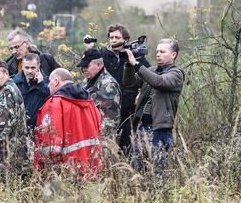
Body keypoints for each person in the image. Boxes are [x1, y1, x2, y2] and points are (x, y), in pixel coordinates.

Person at [126, 39, 185, 176]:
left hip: (160, 128)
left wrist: (136, 64)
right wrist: (128, 65)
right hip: (142, 126)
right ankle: (140, 195)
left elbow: (158, 82)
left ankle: (158, 195)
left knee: (157, 170)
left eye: (162, 52)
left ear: (173, 55)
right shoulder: (151, 70)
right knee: (137, 168)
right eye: (157, 51)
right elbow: (130, 82)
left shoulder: (177, 74)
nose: (158, 54)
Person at [34, 68, 103, 178]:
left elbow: (51, 142)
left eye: (50, 82)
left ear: (56, 82)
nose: (48, 86)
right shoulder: (89, 101)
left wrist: (45, 169)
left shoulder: (54, 103)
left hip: (68, 169)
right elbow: (100, 129)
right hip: (93, 166)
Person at [96, 24, 149, 156]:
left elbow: (149, 76)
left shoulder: (134, 55)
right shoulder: (102, 56)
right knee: (106, 146)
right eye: (111, 37)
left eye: (117, 37)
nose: (113, 40)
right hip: (106, 110)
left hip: (128, 109)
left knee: (127, 147)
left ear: (125, 39)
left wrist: (141, 93)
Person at [0, 59, 29, 179]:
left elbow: (0, 130)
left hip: (7, 158)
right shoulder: (8, 89)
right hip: (15, 156)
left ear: (6, 74)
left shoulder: (6, 92)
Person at [77, 49, 121, 139]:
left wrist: (98, 140)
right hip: (88, 135)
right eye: (82, 66)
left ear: (99, 65)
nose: (84, 69)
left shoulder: (108, 85)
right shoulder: (87, 81)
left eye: (86, 66)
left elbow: (110, 122)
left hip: (102, 140)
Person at [11, 52, 50, 134]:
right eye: (27, 67)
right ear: (22, 66)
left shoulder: (47, 82)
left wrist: (41, 84)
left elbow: (49, 100)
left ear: (38, 66)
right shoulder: (13, 82)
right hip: (18, 131)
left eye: (33, 68)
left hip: (39, 130)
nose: (29, 71)